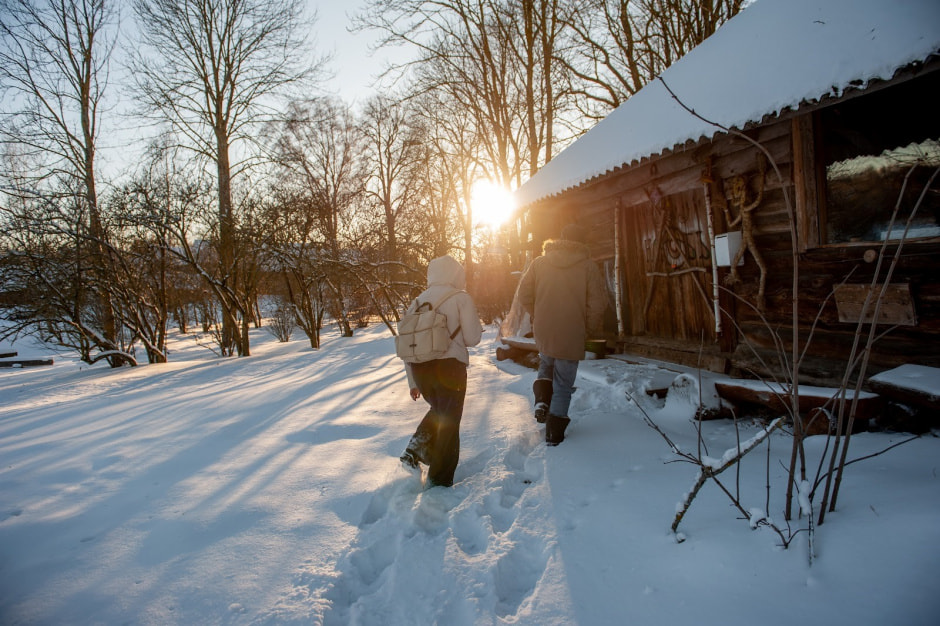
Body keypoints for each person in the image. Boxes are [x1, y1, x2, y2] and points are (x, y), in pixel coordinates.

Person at [516, 223, 608, 446]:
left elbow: (523, 294)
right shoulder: (588, 266)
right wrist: (587, 327)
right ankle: (553, 433)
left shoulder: (539, 262)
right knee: (564, 382)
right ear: (581, 243)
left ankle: (541, 403)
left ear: (560, 240)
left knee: (546, 363)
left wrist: (538, 314)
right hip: (572, 329)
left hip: (545, 328)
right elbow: (598, 303)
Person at [400, 255, 483, 487]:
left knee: (441, 411)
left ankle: (415, 450)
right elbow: (473, 338)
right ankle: (439, 481)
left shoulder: (415, 303)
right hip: (449, 369)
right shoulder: (460, 298)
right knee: (449, 421)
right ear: (456, 274)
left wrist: (412, 383)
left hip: (420, 371)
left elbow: (409, 346)